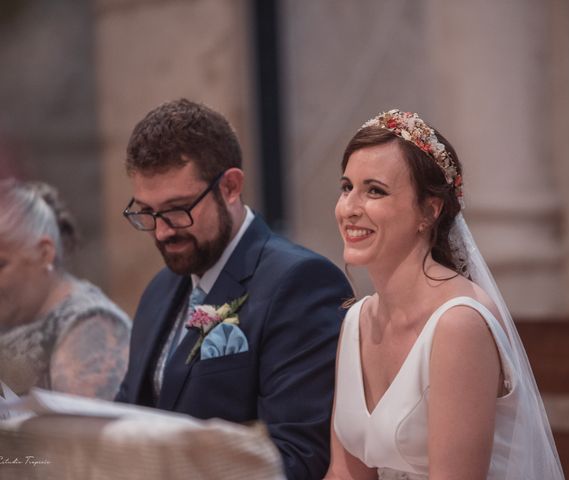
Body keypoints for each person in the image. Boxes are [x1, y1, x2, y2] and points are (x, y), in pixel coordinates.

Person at [115, 99, 352, 479]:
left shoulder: (300, 282)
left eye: (177, 209)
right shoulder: (160, 288)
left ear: (230, 186)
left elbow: (299, 456)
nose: (161, 231)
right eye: (146, 211)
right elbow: (131, 412)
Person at [325, 109, 565, 480]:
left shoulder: (458, 325)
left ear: (429, 211)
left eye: (375, 191)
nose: (350, 208)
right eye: (346, 187)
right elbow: (344, 473)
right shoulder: (356, 321)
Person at [0, 179, 131, 400]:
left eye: (1, 264)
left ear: (44, 253)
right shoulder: (12, 318)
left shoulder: (92, 323)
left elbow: (83, 430)